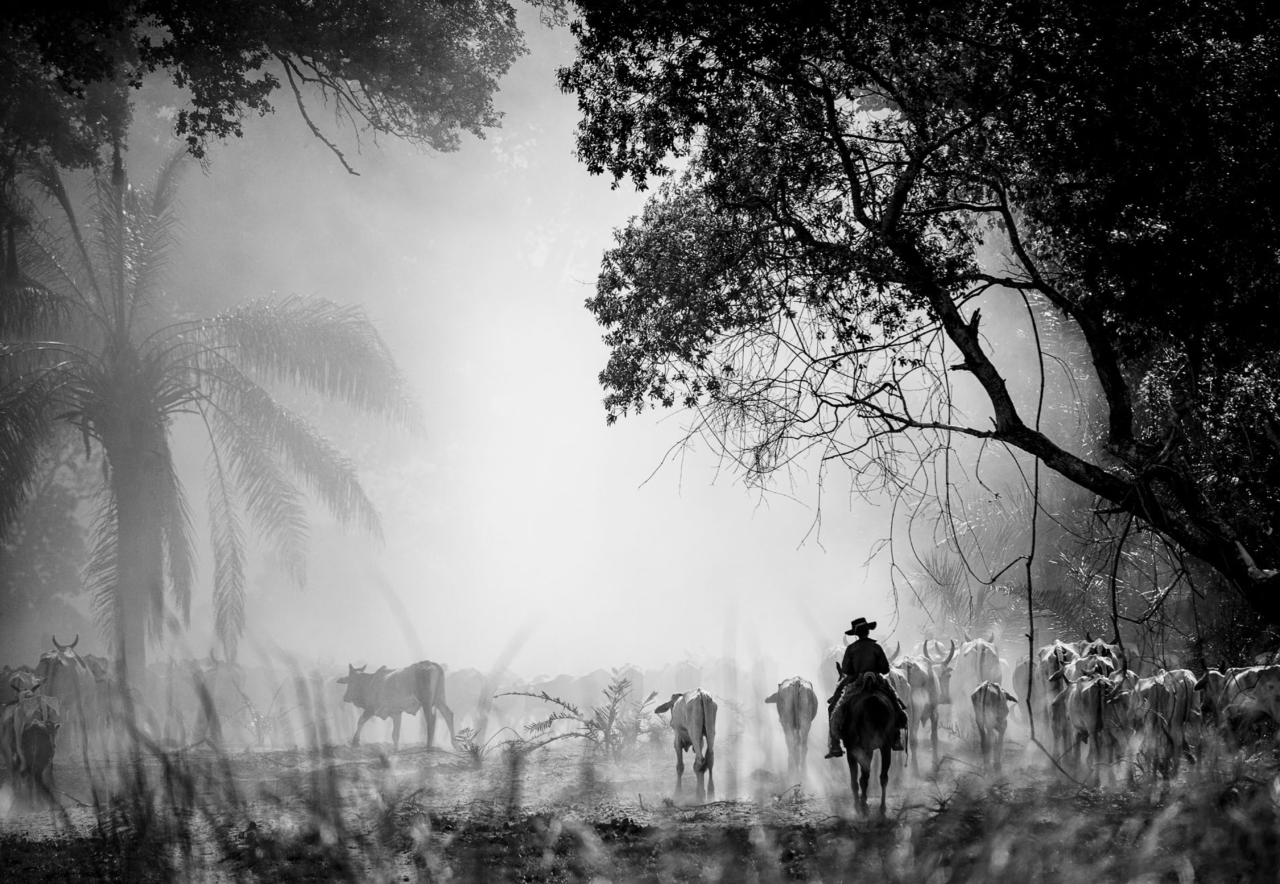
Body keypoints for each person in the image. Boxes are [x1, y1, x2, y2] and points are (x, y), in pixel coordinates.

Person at [824, 616, 909, 758]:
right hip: (876, 680)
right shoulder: (876, 647)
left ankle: (835, 744)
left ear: (856, 634)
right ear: (868, 632)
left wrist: (855, 670)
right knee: (894, 701)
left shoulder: (851, 648)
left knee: (833, 706)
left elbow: (845, 669)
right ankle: (896, 737)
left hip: (855, 681)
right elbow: (885, 669)